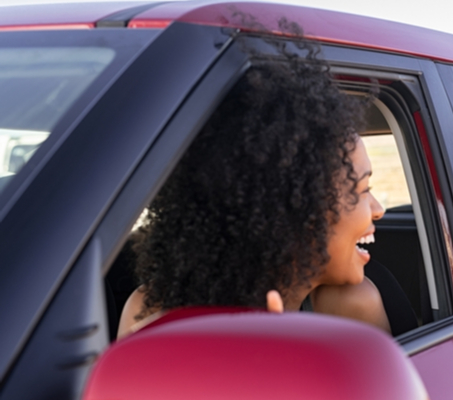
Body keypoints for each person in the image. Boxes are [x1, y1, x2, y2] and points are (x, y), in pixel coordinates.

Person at [117, 28, 391, 338]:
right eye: (363, 189)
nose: (379, 209)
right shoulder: (153, 314)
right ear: (293, 210)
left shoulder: (351, 306)